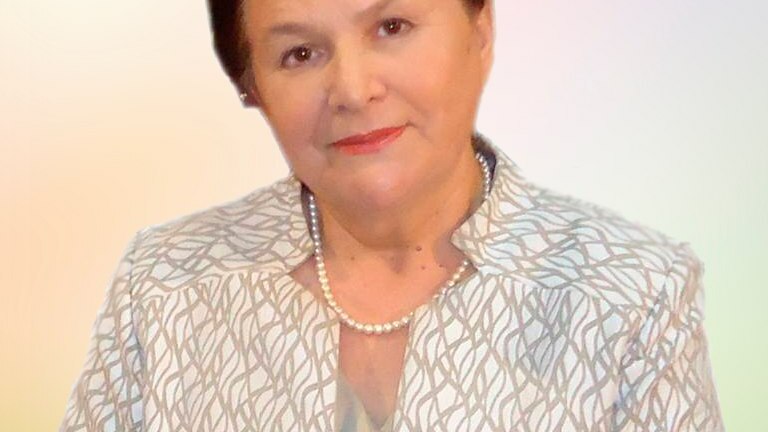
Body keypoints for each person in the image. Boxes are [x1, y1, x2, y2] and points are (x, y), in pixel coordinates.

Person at [59, 0, 724, 430]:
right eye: (300, 54)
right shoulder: (166, 282)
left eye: (392, 27)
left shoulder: (630, 292)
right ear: (252, 88)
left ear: (480, 32)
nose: (352, 90)